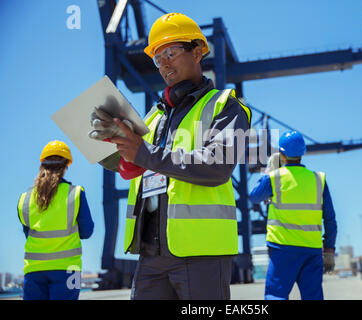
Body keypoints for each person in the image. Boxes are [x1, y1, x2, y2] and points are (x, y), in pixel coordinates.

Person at [89, 12, 251, 300]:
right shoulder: (153, 118)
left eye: (171, 53)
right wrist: (112, 147)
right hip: (151, 254)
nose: (163, 63)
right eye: (157, 57)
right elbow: (134, 168)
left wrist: (144, 151)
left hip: (202, 253)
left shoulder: (225, 106)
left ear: (198, 51)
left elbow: (217, 166)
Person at [249, 131, 337, 300]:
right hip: (311, 250)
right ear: (302, 153)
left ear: (281, 155)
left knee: (276, 296)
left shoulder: (274, 178)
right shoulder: (319, 180)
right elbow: (330, 219)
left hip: (282, 249)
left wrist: (267, 171)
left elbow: (254, 196)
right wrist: (329, 249)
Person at [17, 140, 94, 300]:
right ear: (66, 166)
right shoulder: (76, 193)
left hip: (34, 270)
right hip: (68, 270)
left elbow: (28, 233)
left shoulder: (25, 199)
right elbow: (86, 232)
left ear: (42, 165)